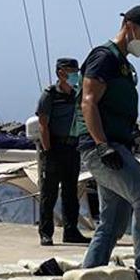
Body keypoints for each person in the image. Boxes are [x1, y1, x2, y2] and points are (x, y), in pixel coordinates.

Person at [70, 6, 140, 280]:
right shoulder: (104, 57)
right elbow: (88, 101)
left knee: (113, 220)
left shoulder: (122, 63)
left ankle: (88, 278)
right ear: (129, 26)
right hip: (102, 147)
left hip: (116, 144)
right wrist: (102, 145)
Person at [35, 58, 90, 246]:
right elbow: (43, 125)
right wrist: (48, 150)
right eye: (71, 71)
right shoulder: (49, 95)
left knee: (71, 193)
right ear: (60, 72)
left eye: (76, 71)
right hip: (54, 147)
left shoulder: (77, 94)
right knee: (49, 193)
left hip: (72, 147)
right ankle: (46, 233)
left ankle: (71, 231)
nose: (75, 75)